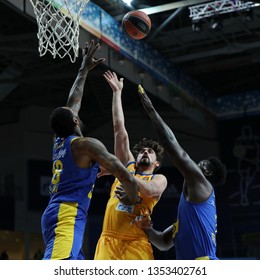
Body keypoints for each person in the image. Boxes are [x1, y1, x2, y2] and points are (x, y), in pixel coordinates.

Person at [41, 41, 139, 260]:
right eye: (73, 112)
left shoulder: (60, 141)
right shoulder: (86, 145)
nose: (75, 108)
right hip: (67, 214)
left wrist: (83, 70)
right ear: (75, 120)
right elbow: (124, 173)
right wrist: (133, 198)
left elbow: (73, 101)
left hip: (60, 212)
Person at [132, 85, 226, 260]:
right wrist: (146, 228)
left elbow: (172, 146)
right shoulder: (186, 217)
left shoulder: (203, 185)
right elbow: (163, 242)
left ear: (207, 172)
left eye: (202, 163)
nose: (196, 163)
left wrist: (151, 109)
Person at [94, 71, 167, 260]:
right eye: (142, 151)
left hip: (136, 242)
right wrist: (117, 93)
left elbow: (150, 191)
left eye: (149, 152)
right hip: (108, 240)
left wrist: (120, 172)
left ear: (156, 163)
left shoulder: (158, 178)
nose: (144, 152)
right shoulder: (127, 168)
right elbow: (119, 129)